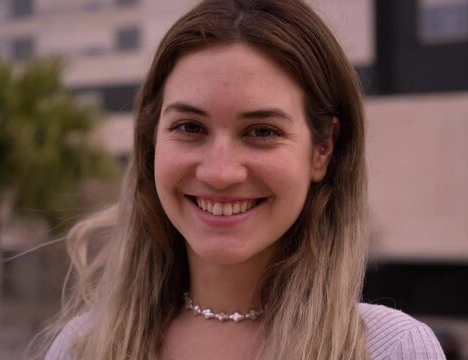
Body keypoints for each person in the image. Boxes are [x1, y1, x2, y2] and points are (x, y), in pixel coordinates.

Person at [41, 0, 446, 359]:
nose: (219, 173)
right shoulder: (81, 348)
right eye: (189, 127)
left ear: (323, 150)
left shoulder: (392, 350)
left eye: (263, 132)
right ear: (150, 144)